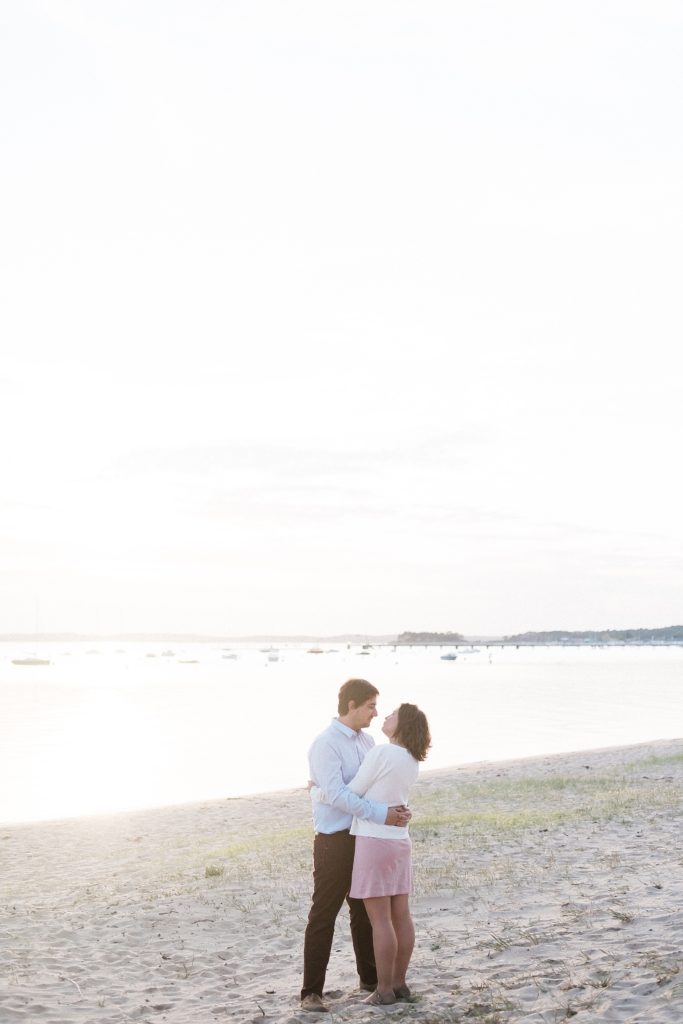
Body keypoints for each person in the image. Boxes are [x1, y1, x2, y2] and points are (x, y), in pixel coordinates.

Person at [301, 679, 412, 1013]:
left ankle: (370, 980)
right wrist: (383, 814)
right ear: (351, 704)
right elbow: (338, 796)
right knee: (323, 913)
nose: (375, 713)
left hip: (365, 838)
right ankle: (310, 993)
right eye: (370, 706)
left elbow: (369, 790)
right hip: (334, 840)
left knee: (364, 914)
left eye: (377, 707)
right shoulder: (326, 744)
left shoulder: (369, 742)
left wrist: (396, 810)